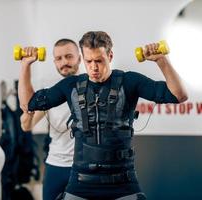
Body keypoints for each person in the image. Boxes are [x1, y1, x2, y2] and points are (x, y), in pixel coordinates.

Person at [18, 31, 188, 200]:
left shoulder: (130, 81)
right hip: (80, 183)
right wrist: (25, 65)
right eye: (88, 61)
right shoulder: (70, 85)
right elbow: (27, 104)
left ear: (110, 55)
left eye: (99, 60)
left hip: (123, 183)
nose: (94, 67)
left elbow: (179, 95)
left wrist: (161, 60)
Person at [20, 39, 81, 200]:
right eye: (59, 58)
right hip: (55, 166)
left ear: (80, 58)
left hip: (83, 167)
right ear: (54, 62)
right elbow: (27, 125)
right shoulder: (52, 94)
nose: (64, 62)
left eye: (69, 56)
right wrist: (26, 65)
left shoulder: (91, 86)